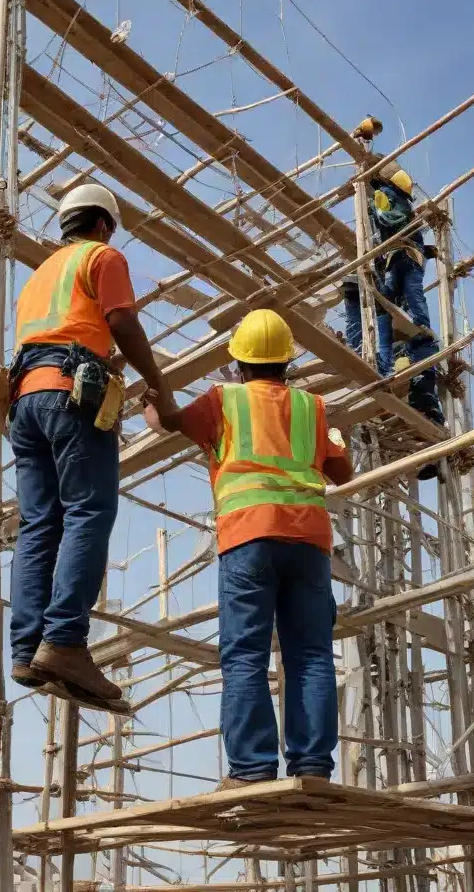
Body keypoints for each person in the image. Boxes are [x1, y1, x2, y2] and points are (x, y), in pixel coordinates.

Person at [145, 309, 353, 788]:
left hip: (248, 536)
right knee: (312, 655)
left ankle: (253, 770)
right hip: (309, 542)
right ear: (287, 362)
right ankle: (314, 767)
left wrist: (151, 408)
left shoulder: (224, 400)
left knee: (245, 655)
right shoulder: (312, 408)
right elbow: (343, 473)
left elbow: (173, 422)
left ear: (238, 363)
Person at [8, 183, 179, 704]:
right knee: (89, 511)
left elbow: (66, 331)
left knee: (39, 523)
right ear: (104, 223)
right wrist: (158, 382)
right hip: (70, 395)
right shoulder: (102, 256)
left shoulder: (39, 276)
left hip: (25, 397)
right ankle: (63, 642)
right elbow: (120, 320)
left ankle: (27, 648)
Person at [341, 167, 444, 427]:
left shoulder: (387, 198)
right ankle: (388, 368)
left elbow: (387, 219)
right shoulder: (393, 200)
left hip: (397, 257)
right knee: (394, 306)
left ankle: (386, 368)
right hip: (397, 259)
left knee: (389, 308)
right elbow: (389, 221)